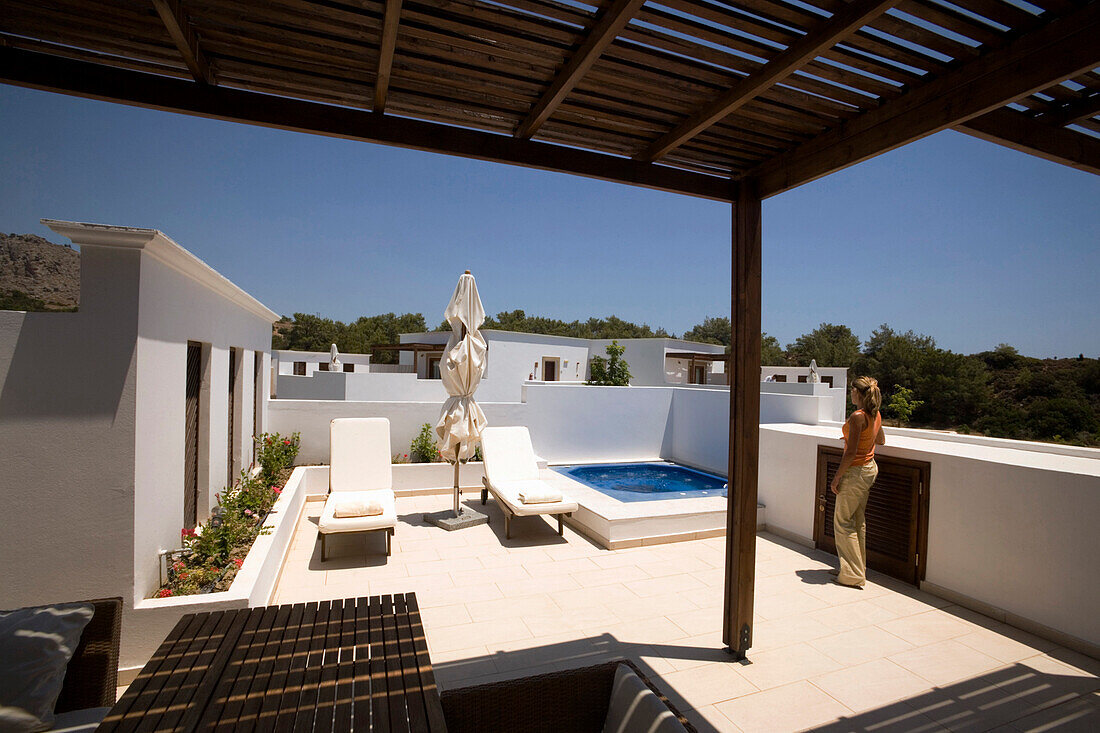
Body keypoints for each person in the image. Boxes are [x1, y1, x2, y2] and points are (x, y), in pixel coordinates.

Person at [829, 376, 885, 588]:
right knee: (857, 521)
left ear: (858, 393)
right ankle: (856, 569)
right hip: (869, 469)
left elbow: (851, 453)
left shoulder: (857, 417)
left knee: (843, 522)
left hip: (855, 472)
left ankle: (851, 574)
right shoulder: (875, 414)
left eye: (852, 390)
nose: (850, 393)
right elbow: (880, 440)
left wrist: (837, 477)